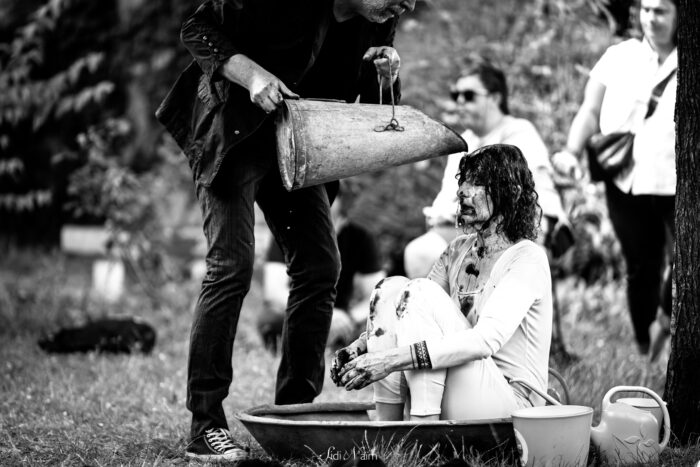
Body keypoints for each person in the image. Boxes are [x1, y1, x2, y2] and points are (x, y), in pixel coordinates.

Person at [155, 0, 415, 460]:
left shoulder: (381, 18)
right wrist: (253, 76)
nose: (406, 4)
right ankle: (205, 425)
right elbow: (198, 27)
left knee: (320, 267)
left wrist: (386, 77)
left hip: (297, 146)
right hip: (234, 132)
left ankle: (293, 417)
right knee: (231, 267)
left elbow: (371, 110)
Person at [332, 144, 553, 421]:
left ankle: (423, 427)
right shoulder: (458, 250)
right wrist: (361, 347)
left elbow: (483, 342)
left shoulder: (528, 258)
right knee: (391, 289)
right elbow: (411, 311)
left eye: (478, 183)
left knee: (419, 291)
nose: (463, 192)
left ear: (513, 192)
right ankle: (387, 429)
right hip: (461, 393)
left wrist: (387, 361)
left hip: (513, 408)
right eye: (464, 182)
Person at [551, 0, 677, 360]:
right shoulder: (619, 56)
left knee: (686, 261)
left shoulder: (689, 60)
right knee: (641, 267)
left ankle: (665, 323)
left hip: (675, 182)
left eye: (661, 11)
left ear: (680, 14)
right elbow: (590, 110)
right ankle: (646, 352)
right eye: (646, 9)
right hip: (625, 180)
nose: (651, 18)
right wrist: (571, 152)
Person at [404, 61, 568, 279]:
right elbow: (446, 200)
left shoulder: (518, 132)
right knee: (420, 253)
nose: (460, 101)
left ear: (495, 98)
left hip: (522, 230)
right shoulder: (463, 143)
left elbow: (515, 200)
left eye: (469, 95)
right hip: (472, 227)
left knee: (423, 254)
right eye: (456, 95)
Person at [258, 183, 386, 353]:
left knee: (377, 325)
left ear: (341, 199)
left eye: (326, 194)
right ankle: (287, 352)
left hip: (342, 319)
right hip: (299, 312)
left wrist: (349, 317)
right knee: (271, 317)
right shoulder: (288, 231)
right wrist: (322, 315)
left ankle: (341, 352)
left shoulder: (360, 238)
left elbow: (380, 294)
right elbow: (273, 291)